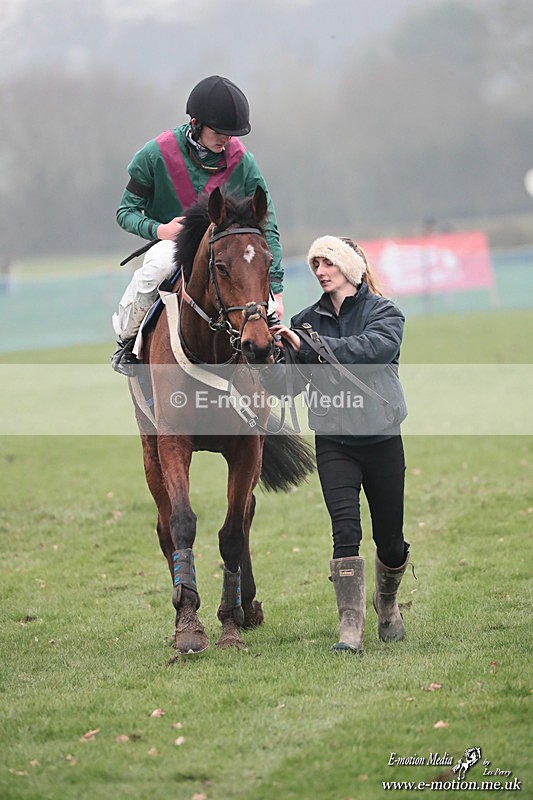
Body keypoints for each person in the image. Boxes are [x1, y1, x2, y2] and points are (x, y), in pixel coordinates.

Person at [270, 235, 410, 654]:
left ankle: (386, 604)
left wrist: (311, 345)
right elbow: (286, 388)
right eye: (315, 265)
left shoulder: (385, 313)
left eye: (327, 262)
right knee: (345, 530)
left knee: (390, 539)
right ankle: (350, 628)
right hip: (334, 441)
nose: (320, 271)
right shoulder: (304, 320)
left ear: (349, 266)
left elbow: (371, 352)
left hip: (382, 438)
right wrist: (266, 355)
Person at [111, 75, 284, 375]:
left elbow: (267, 226)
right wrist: (159, 230)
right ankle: (127, 341)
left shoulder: (243, 161)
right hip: (173, 245)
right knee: (155, 268)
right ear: (195, 123)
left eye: (231, 134)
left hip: (225, 246)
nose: (226, 140)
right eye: (219, 132)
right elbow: (126, 212)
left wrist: (277, 294)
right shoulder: (155, 155)